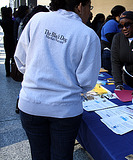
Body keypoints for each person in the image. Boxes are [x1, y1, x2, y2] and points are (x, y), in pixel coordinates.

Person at [14, 0, 101, 159]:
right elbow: (87, 81)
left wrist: (36, 76)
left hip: (31, 104)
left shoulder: (38, 19)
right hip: (65, 109)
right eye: (90, 7)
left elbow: (20, 58)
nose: (89, 12)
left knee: (39, 154)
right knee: (62, 156)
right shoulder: (88, 35)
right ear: (80, 6)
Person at [101, 5, 126, 74]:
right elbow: (110, 37)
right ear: (120, 13)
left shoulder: (116, 23)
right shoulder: (111, 23)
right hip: (108, 51)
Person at [0, 7, 15, 77]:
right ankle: (13, 71)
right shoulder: (12, 21)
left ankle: (7, 72)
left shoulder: (2, 21)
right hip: (12, 38)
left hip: (6, 38)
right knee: (13, 55)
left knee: (7, 55)